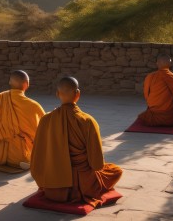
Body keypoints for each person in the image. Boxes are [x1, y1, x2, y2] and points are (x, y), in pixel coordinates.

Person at [30, 77, 122, 207]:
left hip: (54, 189)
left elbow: (37, 158)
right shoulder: (88, 121)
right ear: (78, 93)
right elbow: (97, 165)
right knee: (115, 170)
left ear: (57, 94)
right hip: (85, 185)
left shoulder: (46, 120)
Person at [0, 70, 45, 169]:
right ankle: (29, 160)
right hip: (19, 155)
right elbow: (44, 125)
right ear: (27, 84)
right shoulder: (33, 105)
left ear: (10, 82)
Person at [139, 54, 173, 126]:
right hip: (171, 117)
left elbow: (146, 94)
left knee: (144, 116)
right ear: (170, 64)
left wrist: (153, 105)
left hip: (153, 115)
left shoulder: (150, 77)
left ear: (157, 63)